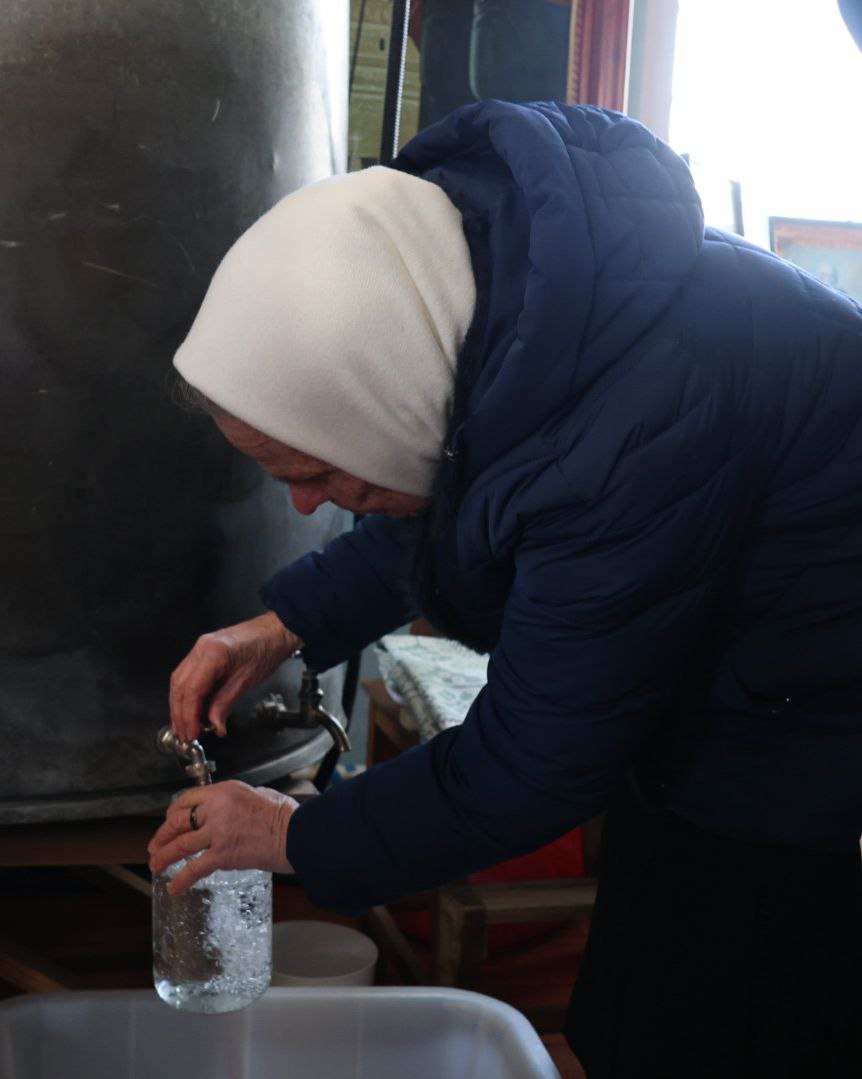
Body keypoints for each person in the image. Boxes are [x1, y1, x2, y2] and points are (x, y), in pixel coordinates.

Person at [148, 99, 862, 1077]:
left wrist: (292, 833)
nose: (306, 504)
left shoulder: (639, 415)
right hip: (723, 689)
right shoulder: (506, 319)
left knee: (724, 1024)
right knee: (630, 1006)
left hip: (810, 731)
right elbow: (454, 490)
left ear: (387, 401)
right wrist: (283, 624)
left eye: (312, 470)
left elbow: (533, 761)